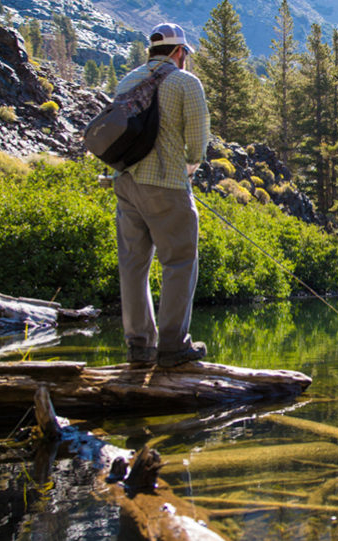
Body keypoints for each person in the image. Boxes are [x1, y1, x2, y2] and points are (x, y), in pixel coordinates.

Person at [112, 22, 210, 367]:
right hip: (167, 185)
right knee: (179, 261)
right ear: (179, 52)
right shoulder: (185, 82)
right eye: (185, 53)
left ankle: (139, 347)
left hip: (124, 183)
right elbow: (197, 141)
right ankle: (173, 347)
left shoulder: (127, 81)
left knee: (133, 265)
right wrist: (190, 169)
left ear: (151, 51)